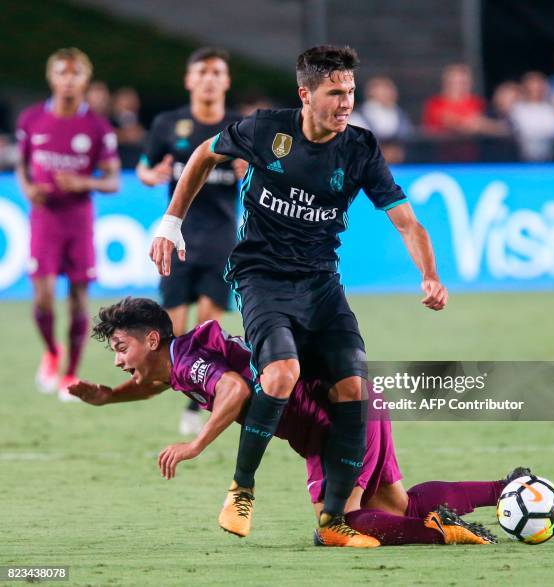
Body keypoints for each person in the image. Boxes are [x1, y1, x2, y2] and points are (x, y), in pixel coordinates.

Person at [149, 44, 448, 547]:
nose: (346, 102)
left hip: (321, 281)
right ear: (306, 94)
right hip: (261, 276)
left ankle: (333, 522)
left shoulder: (360, 148)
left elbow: (405, 220)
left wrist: (430, 274)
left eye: (351, 91)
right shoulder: (267, 130)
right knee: (281, 374)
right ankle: (242, 488)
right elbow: (204, 154)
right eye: (335, 93)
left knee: (353, 386)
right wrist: (171, 223)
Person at [69, 297, 506, 546]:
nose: (119, 360)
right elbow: (156, 383)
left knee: (339, 523)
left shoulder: (190, 364)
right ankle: (506, 489)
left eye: (121, 347)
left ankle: (439, 532)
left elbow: (235, 389)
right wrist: (108, 398)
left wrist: (195, 445)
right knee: (396, 506)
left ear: (152, 339)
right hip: (355, 402)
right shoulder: (180, 362)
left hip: (332, 424)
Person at [136, 47, 244, 436]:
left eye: (217, 72)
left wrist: (249, 170)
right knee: (173, 334)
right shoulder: (169, 124)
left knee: (207, 330)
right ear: (189, 80)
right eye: (203, 72)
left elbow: (267, 175)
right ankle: (194, 391)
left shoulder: (240, 128)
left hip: (220, 240)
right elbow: (145, 168)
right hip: (177, 237)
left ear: (226, 81)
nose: (210, 78)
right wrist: (152, 175)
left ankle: (196, 404)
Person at [15, 47, 120, 400]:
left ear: (85, 80)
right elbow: (22, 164)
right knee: (43, 297)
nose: (68, 80)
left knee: (77, 298)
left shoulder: (96, 127)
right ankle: (52, 352)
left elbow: (112, 180)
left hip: (78, 221)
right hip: (44, 219)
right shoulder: (31, 119)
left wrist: (84, 183)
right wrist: (29, 188)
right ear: (52, 78)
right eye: (62, 73)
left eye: (76, 74)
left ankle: (70, 373)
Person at [510, 72, 554, 161]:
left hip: (550, 158)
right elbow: (523, 129)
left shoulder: (551, 109)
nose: (535, 88)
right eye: (531, 84)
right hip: (522, 158)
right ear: (524, 87)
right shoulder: (516, 109)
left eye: (539, 85)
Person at [422, 64, 486, 135]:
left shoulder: (478, 102)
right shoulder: (434, 103)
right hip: (442, 145)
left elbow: (491, 125)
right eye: (454, 82)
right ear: (445, 83)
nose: (458, 86)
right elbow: (448, 121)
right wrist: (475, 124)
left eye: (463, 83)